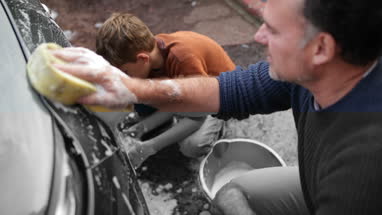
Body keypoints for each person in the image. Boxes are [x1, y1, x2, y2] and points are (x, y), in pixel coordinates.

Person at [51, 0, 382, 213]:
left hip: (333, 188)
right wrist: (131, 88)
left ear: (321, 48)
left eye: (274, 29)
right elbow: (230, 89)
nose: (258, 37)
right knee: (229, 196)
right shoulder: (308, 74)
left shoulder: (361, 172)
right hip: (313, 180)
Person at [94, 13, 235, 167]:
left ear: (143, 59)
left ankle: (220, 128)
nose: (124, 78)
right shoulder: (151, 54)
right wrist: (141, 128)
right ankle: (170, 119)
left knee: (191, 146)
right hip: (188, 89)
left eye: (126, 72)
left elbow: (196, 118)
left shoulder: (183, 61)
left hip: (219, 96)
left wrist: (148, 147)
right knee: (143, 97)